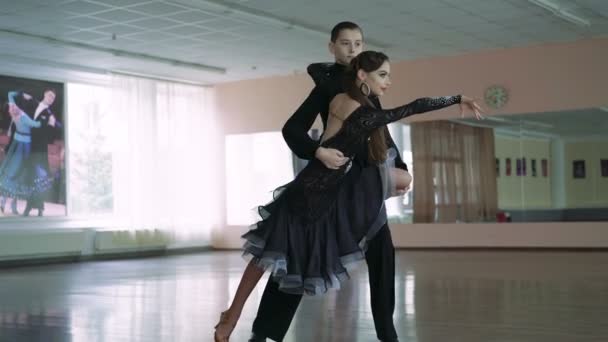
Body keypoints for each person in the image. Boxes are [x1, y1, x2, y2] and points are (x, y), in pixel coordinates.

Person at [214, 50, 483, 342]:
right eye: (383, 75)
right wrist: (455, 98)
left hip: (327, 196)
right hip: (308, 194)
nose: (388, 81)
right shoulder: (353, 107)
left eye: (389, 75)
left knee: (286, 261)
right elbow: (411, 108)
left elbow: (398, 116)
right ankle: (233, 315)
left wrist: (455, 99)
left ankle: (242, 323)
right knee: (267, 256)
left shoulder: (360, 104)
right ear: (362, 75)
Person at [251, 21, 408, 342]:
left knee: (382, 253)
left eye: (358, 43)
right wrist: (318, 152)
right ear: (332, 47)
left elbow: (381, 132)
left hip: (367, 184)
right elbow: (292, 129)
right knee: (300, 254)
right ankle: (264, 332)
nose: (353, 49)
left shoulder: (368, 83)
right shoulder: (326, 85)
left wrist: (400, 168)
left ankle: (387, 334)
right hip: (333, 182)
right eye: (346, 43)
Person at [8, 89, 58, 216]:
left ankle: (39, 208)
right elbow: (16, 102)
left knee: (39, 178)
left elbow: (52, 132)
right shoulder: (34, 103)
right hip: (29, 146)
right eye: (50, 96)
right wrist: (22, 94)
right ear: (44, 95)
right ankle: (29, 207)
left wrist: (52, 124)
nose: (51, 99)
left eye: (53, 98)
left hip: (39, 150)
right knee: (30, 178)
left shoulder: (49, 114)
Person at [0, 102, 54, 210]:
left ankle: (7, 201)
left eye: (14, 105)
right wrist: (47, 121)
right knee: (15, 173)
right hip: (21, 148)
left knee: (17, 175)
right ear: (11, 110)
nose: (15, 107)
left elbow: (12, 96)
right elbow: (36, 124)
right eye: (12, 107)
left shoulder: (17, 116)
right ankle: (4, 201)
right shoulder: (22, 117)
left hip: (21, 147)